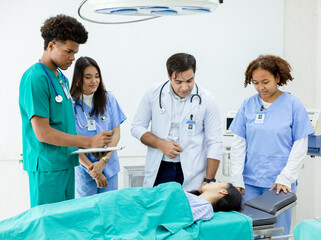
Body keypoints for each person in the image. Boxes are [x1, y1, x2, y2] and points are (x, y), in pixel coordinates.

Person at [19, 15, 113, 208]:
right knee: (48, 226)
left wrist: (92, 148)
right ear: (51, 45)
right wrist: (87, 142)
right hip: (47, 167)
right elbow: (43, 133)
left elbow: (64, 125)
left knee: (64, 224)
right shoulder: (35, 78)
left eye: (75, 52)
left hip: (66, 163)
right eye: (68, 51)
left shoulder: (60, 78)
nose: (73, 58)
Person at [229, 55, 314, 236]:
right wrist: (237, 177)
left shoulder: (293, 105)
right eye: (255, 82)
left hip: (279, 184)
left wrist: (286, 177)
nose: (261, 87)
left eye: (265, 81)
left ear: (277, 77)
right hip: (249, 182)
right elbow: (238, 144)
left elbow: (300, 145)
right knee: (248, 231)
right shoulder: (248, 105)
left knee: (278, 233)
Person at [0, 182, 246, 240]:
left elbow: (169, 218)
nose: (212, 181)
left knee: (49, 219)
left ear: (224, 192)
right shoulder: (195, 200)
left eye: (218, 182)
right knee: (48, 214)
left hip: (118, 211)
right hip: (119, 202)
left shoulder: (204, 207)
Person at [131, 53, 223, 191]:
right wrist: (160, 144)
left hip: (193, 171)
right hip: (160, 168)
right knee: (159, 209)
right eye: (178, 82)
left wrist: (209, 179)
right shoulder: (153, 93)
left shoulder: (207, 99)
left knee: (189, 210)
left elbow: (215, 142)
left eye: (189, 81)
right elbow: (136, 127)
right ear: (169, 77)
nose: (184, 87)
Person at [70, 56, 127, 198]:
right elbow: (71, 142)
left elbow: (116, 134)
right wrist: (93, 170)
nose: (94, 81)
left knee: (109, 209)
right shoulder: (69, 105)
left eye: (97, 76)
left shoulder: (109, 100)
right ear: (78, 79)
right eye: (88, 77)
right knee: (86, 212)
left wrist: (103, 163)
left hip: (108, 165)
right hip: (84, 168)